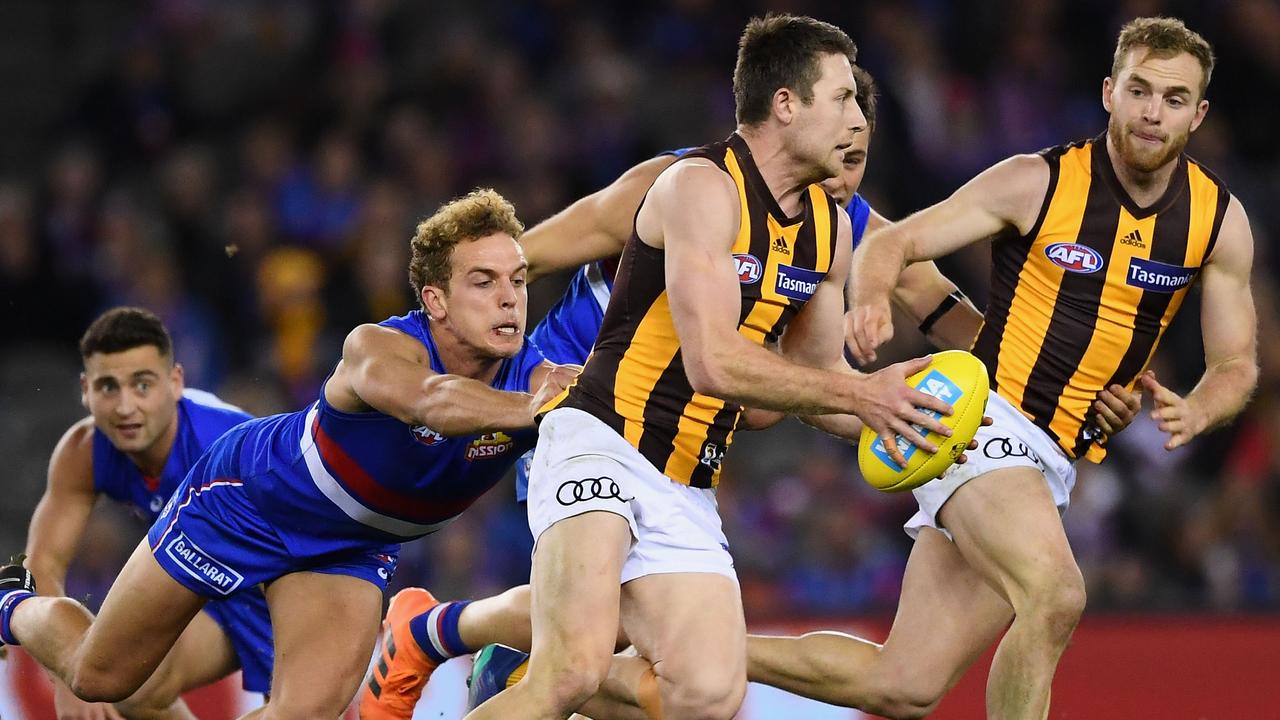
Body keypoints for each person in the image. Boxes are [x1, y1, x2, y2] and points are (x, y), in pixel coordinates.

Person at [363, 63, 1142, 720]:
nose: (847, 175)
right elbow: (528, 255)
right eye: (839, 148)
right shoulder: (685, 183)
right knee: (594, 645)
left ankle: (451, 641)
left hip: (682, 441)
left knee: (666, 669)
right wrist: (445, 340)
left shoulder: (844, 227)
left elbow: (949, 318)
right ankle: (469, 653)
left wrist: (1065, 390)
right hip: (575, 399)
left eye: (861, 157)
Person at [467, 14, 963, 720]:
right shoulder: (698, 186)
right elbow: (711, 361)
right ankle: (505, 662)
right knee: (572, 670)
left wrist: (907, 415)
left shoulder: (828, 235)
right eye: (843, 98)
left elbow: (811, 388)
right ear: (785, 104)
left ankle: (505, 672)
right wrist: (863, 394)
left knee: (707, 696)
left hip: (688, 479)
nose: (859, 120)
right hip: (602, 439)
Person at [0, 188, 577, 718]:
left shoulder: (541, 380)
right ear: (436, 300)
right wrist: (533, 410)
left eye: (519, 281)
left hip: (351, 546)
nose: (509, 300)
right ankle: (11, 604)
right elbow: (432, 401)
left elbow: (599, 402)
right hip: (248, 501)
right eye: (484, 282)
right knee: (100, 677)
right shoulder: (376, 348)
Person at [846, 16, 1257, 719]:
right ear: (1108, 93)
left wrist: (1198, 408)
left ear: (1201, 112)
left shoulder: (1218, 222)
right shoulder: (1037, 181)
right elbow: (898, 242)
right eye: (1140, 90)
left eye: (1175, 98)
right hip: (981, 417)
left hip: (1052, 460)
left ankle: (654, 668)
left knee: (903, 684)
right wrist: (871, 300)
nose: (1153, 113)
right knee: (1057, 594)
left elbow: (1238, 365)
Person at [16, 306, 272, 719]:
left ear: (175, 383)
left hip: (280, 584)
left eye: (141, 385)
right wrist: (66, 674)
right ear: (85, 390)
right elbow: (42, 563)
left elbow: (297, 551)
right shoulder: (83, 452)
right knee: (129, 683)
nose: (124, 407)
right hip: (210, 591)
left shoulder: (228, 445)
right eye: (107, 387)